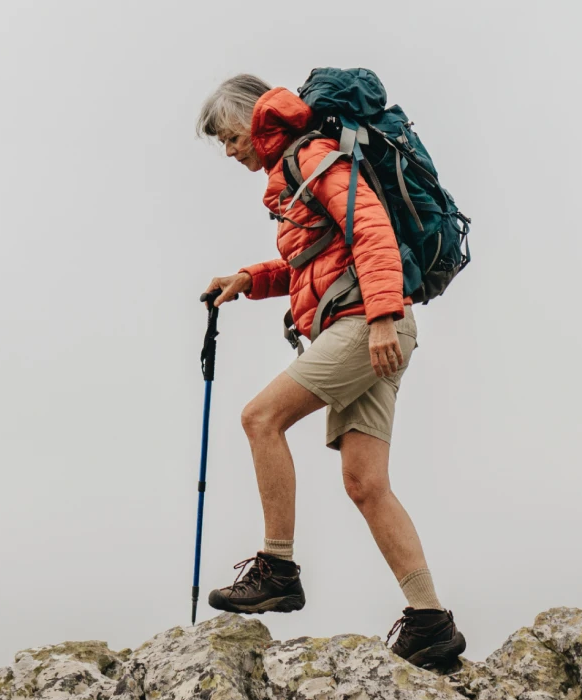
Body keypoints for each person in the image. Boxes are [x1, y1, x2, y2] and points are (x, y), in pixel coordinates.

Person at [195, 74, 466, 669]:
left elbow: (370, 228)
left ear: (248, 119)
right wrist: (250, 279)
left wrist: (382, 318)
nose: (229, 150)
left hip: (367, 324)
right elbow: (314, 261)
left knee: (260, 417)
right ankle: (431, 624)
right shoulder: (298, 171)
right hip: (373, 322)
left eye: (226, 137)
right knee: (366, 483)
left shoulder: (308, 156)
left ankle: (278, 568)